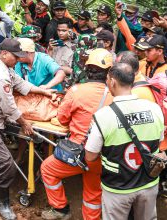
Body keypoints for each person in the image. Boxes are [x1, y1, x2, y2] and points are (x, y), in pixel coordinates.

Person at [0, 38, 54, 220]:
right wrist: (24, 123)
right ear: (4, 53)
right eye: (15, 57)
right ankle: (3, 203)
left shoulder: (3, 66)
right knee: (6, 165)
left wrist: (43, 91)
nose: (18, 60)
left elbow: (21, 84)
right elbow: (8, 107)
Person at [40, 48, 114, 220]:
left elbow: (62, 119)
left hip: (78, 152)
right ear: (109, 72)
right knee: (93, 190)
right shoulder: (115, 94)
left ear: (87, 69)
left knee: (48, 169)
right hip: (104, 153)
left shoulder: (76, 91)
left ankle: (60, 210)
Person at [85, 63, 165, 220]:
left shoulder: (103, 116)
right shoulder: (155, 109)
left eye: (107, 79)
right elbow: (159, 141)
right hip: (149, 183)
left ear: (113, 81)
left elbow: (90, 156)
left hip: (117, 188)